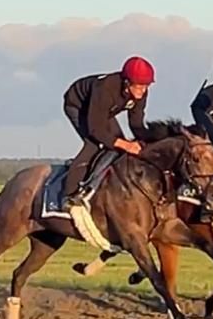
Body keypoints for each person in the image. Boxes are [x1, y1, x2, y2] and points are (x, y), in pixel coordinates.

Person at [62, 56, 155, 210]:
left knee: (118, 146)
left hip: (103, 112)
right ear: (127, 82)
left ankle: (96, 186)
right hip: (78, 106)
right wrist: (125, 144)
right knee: (97, 144)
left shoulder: (141, 93)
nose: (143, 91)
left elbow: (136, 124)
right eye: (139, 86)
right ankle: (69, 195)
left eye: (146, 86)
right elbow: (95, 129)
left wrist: (147, 143)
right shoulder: (105, 88)